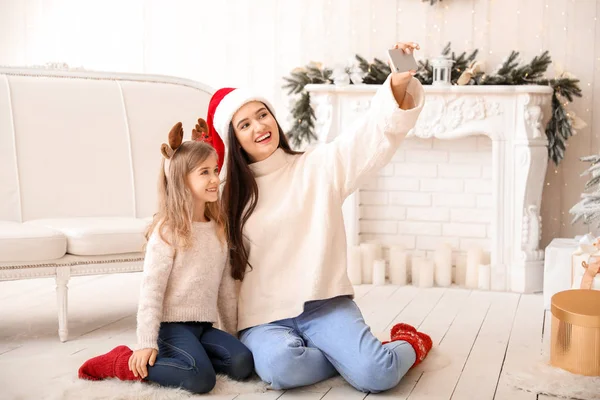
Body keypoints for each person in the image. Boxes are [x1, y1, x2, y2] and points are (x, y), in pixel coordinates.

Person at [200, 42, 433, 393]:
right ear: (235, 139)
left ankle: (407, 343)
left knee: (377, 374)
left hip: (323, 304)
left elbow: (370, 136)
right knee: (280, 369)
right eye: (244, 124)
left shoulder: (317, 166)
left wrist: (398, 82)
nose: (258, 127)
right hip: (263, 319)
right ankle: (346, 358)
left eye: (262, 115)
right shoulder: (225, 192)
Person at [77, 120, 253, 394]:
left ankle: (192, 360)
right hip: (170, 327)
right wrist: (146, 341)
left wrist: (230, 335)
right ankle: (122, 362)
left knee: (242, 363)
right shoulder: (168, 230)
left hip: (203, 326)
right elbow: (152, 289)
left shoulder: (218, 229)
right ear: (183, 180)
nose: (215, 179)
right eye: (204, 172)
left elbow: (225, 289)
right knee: (200, 380)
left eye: (215, 170)